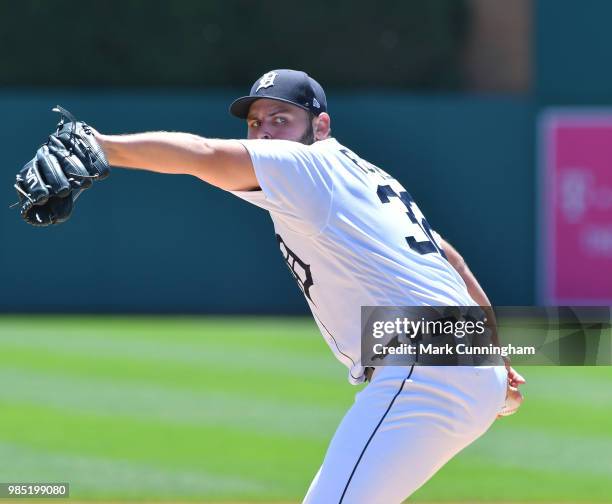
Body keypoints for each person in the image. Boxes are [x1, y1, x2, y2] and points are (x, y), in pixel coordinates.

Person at [34, 69, 526, 503]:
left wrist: (103, 145)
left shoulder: (305, 167)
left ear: (321, 126)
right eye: (255, 122)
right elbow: (449, 258)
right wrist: (493, 352)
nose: (265, 131)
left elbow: (201, 154)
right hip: (453, 353)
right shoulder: (364, 174)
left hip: (425, 366)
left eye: (280, 118)